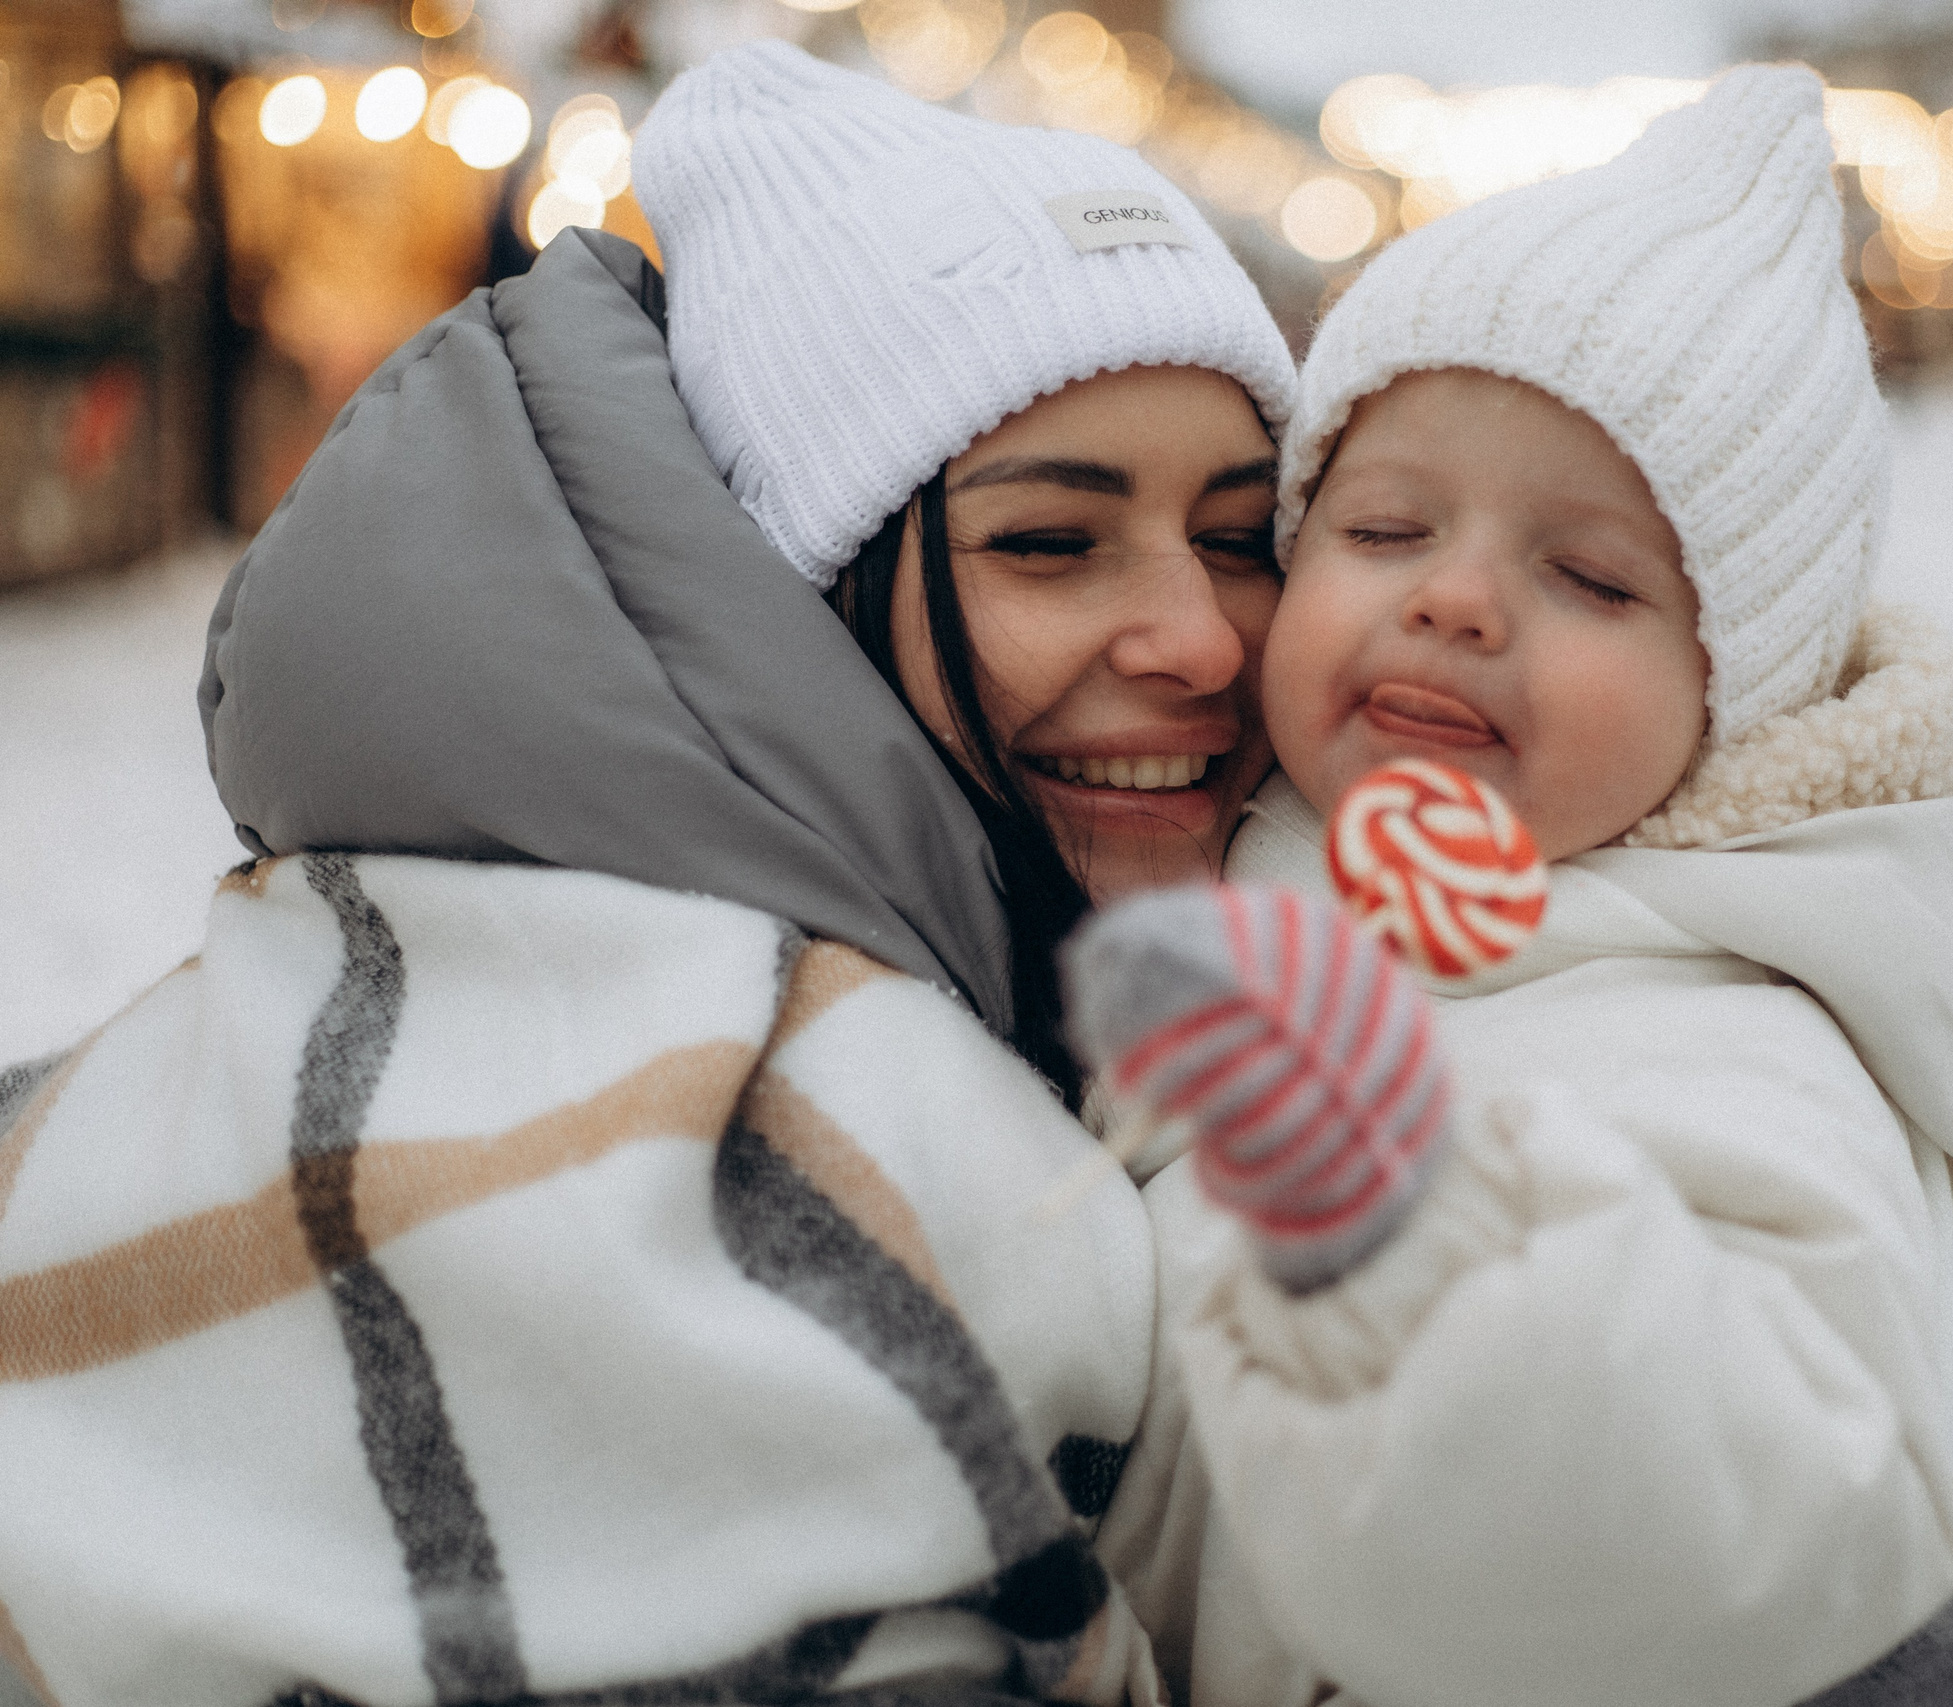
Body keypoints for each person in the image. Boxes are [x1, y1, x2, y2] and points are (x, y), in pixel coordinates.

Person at [0, 42, 1294, 1706]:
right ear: (797, 586)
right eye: (1049, 541)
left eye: (1245, 535)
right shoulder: (798, 1149)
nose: (1197, 638)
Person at [1069, 67, 1953, 1707]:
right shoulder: (1190, 849)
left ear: (1741, 691)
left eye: (1590, 575)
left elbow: (1730, 1540)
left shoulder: (1750, 1043)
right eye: (1384, 528)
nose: (1456, 600)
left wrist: (1457, 1262)